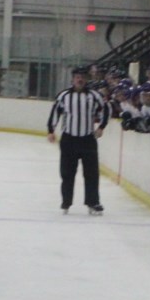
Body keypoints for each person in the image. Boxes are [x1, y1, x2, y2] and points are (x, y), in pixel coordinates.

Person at [47, 65, 111, 215]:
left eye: (82, 77)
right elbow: (55, 112)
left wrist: (101, 126)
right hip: (69, 139)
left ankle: (93, 202)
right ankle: (66, 202)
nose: (80, 79)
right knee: (67, 173)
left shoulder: (94, 95)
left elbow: (105, 109)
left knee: (91, 173)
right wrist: (51, 130)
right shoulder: (64, 96)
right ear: (72, 79)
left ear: (87, 79)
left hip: (88, 139)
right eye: (77, 77)